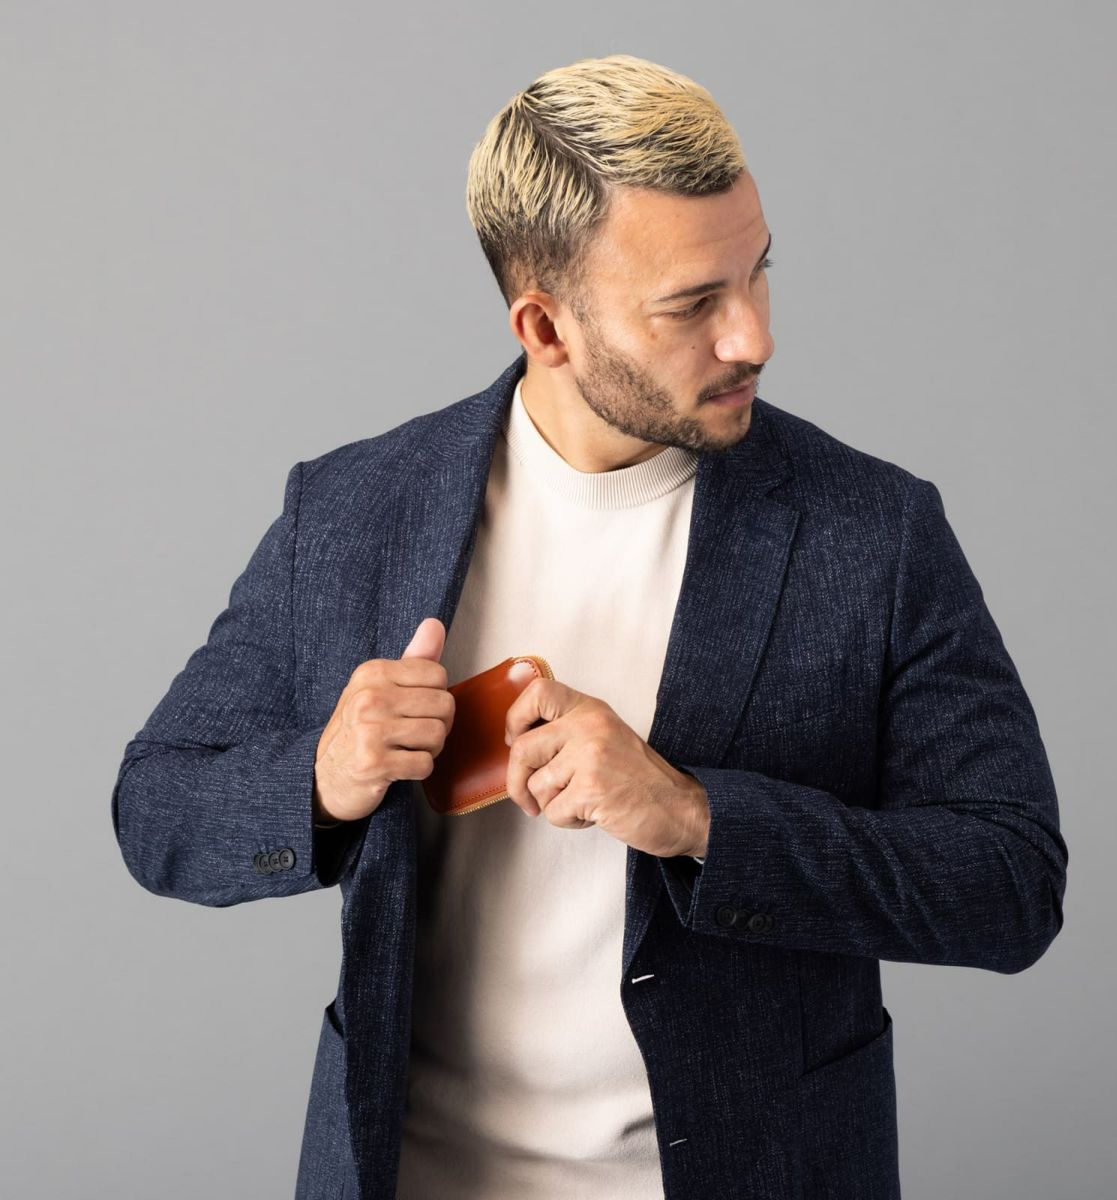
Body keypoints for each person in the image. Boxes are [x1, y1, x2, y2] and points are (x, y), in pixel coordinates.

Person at [110, 53, 1068, 1200]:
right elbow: (156, 809)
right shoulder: (353, 512)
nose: (752, 337)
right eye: (693, 305)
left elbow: (1011, 881)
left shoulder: (874, 531)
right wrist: (322, 774)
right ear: (546, 326)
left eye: (758, 274)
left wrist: (697, 815)